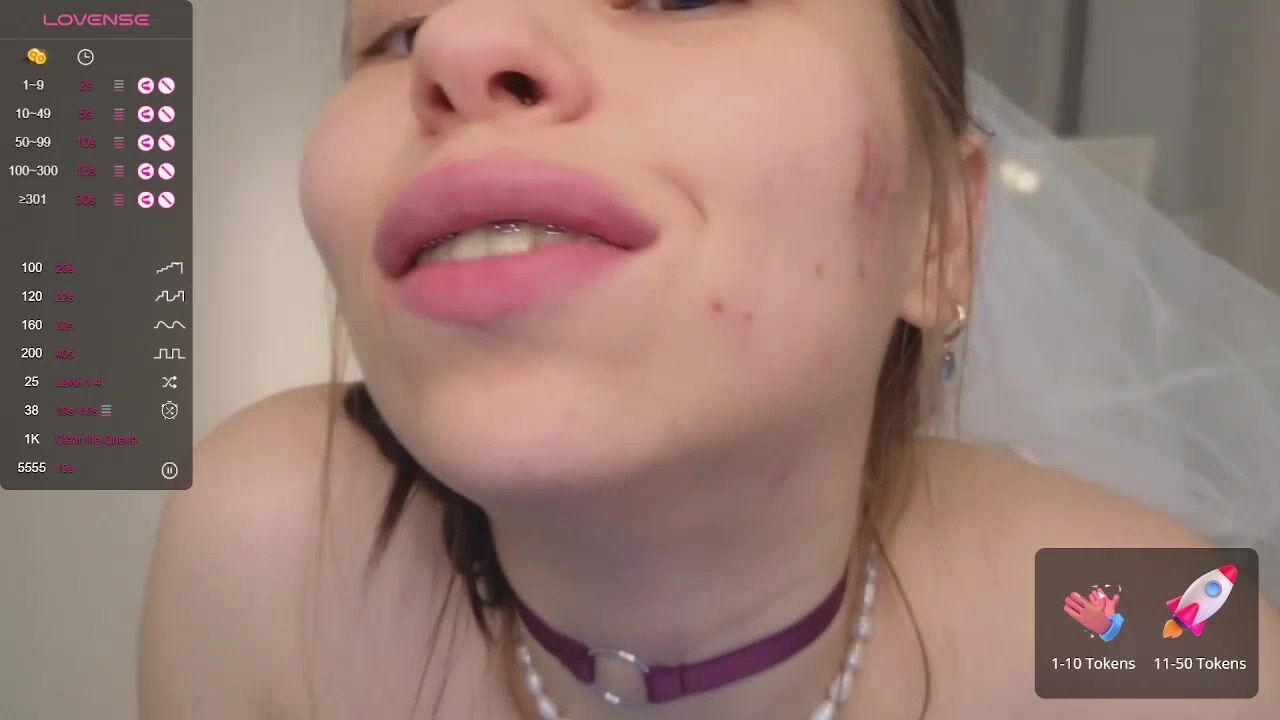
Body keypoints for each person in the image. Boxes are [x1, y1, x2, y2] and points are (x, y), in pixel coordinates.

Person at [139, 0, 1278, 718]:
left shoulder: (1151, 622)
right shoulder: (263, 540)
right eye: (396, 31)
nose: (462, 40)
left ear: (938, 232)